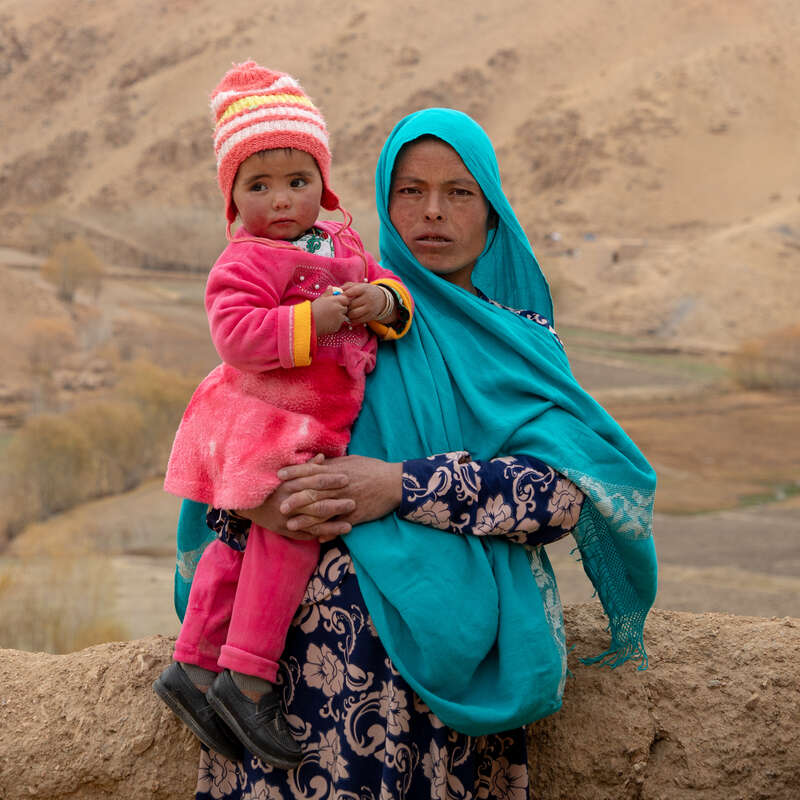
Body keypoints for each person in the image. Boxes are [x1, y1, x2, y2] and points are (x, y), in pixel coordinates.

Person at [175, 107, 657, 799]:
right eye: (410, 191)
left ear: (492, 213)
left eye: (459, 192)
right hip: (293, 683)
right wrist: (262, 503)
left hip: (450, 676)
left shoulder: (519, 343)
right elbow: (227, 437)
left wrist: (400, 484)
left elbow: (561, 492)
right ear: (383, 201)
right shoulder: (332, 321)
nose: (433, 212)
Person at [153, 61, 414, 770]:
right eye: (258, 186)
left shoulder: (342, 245)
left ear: (322, 184)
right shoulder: (245, 261)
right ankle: (247, 677)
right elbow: (235, 336)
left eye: (298, 181)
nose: (281, 200)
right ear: (232, 198)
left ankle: (194, 664)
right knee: (295, 530)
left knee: (240, 538)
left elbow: (390, 288)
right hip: (265, 416)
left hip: (305, 417)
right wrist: (311, 320)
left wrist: (382, 303)